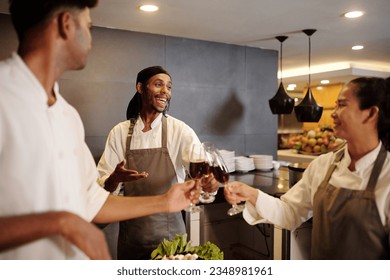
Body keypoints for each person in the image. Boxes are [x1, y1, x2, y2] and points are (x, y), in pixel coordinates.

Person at [0, 0, 200, 260]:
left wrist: (164, 202)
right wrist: (61, 222)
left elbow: (92, 201)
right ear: (66, 25)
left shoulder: (67, 116)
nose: (91, 39)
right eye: (89, 26)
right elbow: (76, 213)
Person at [224, 77, 390, 259]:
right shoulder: (323, 165)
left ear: (371, 113)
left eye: (342, 105)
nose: (334, 113)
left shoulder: (386, 175)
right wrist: (252, 194)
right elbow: (290, 212)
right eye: (335, 105)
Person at [97, 66, 219, 259]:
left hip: (172, 244)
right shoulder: (119, 133)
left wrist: (211, 184)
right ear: (140, 88)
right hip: (131, 240)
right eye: (158, 85)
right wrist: (114, 179)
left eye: (169, 87)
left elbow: (205, 176)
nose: (165, 92)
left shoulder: (180, 131)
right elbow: (100, 191)